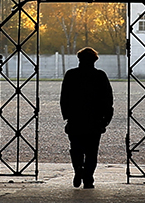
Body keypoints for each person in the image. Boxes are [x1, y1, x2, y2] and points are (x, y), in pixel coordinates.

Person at [60, 47, 114, 189]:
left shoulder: (71, 75)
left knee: (76, 149)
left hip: (75, 119)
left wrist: (66, 116)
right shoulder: (100, 76)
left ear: (79, 59)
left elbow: (64, 97)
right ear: (95, 60)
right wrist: (106, 118)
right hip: (94, 120)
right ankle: (88, 178)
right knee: (91, 151)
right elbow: (108, 99)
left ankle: (78, 169)